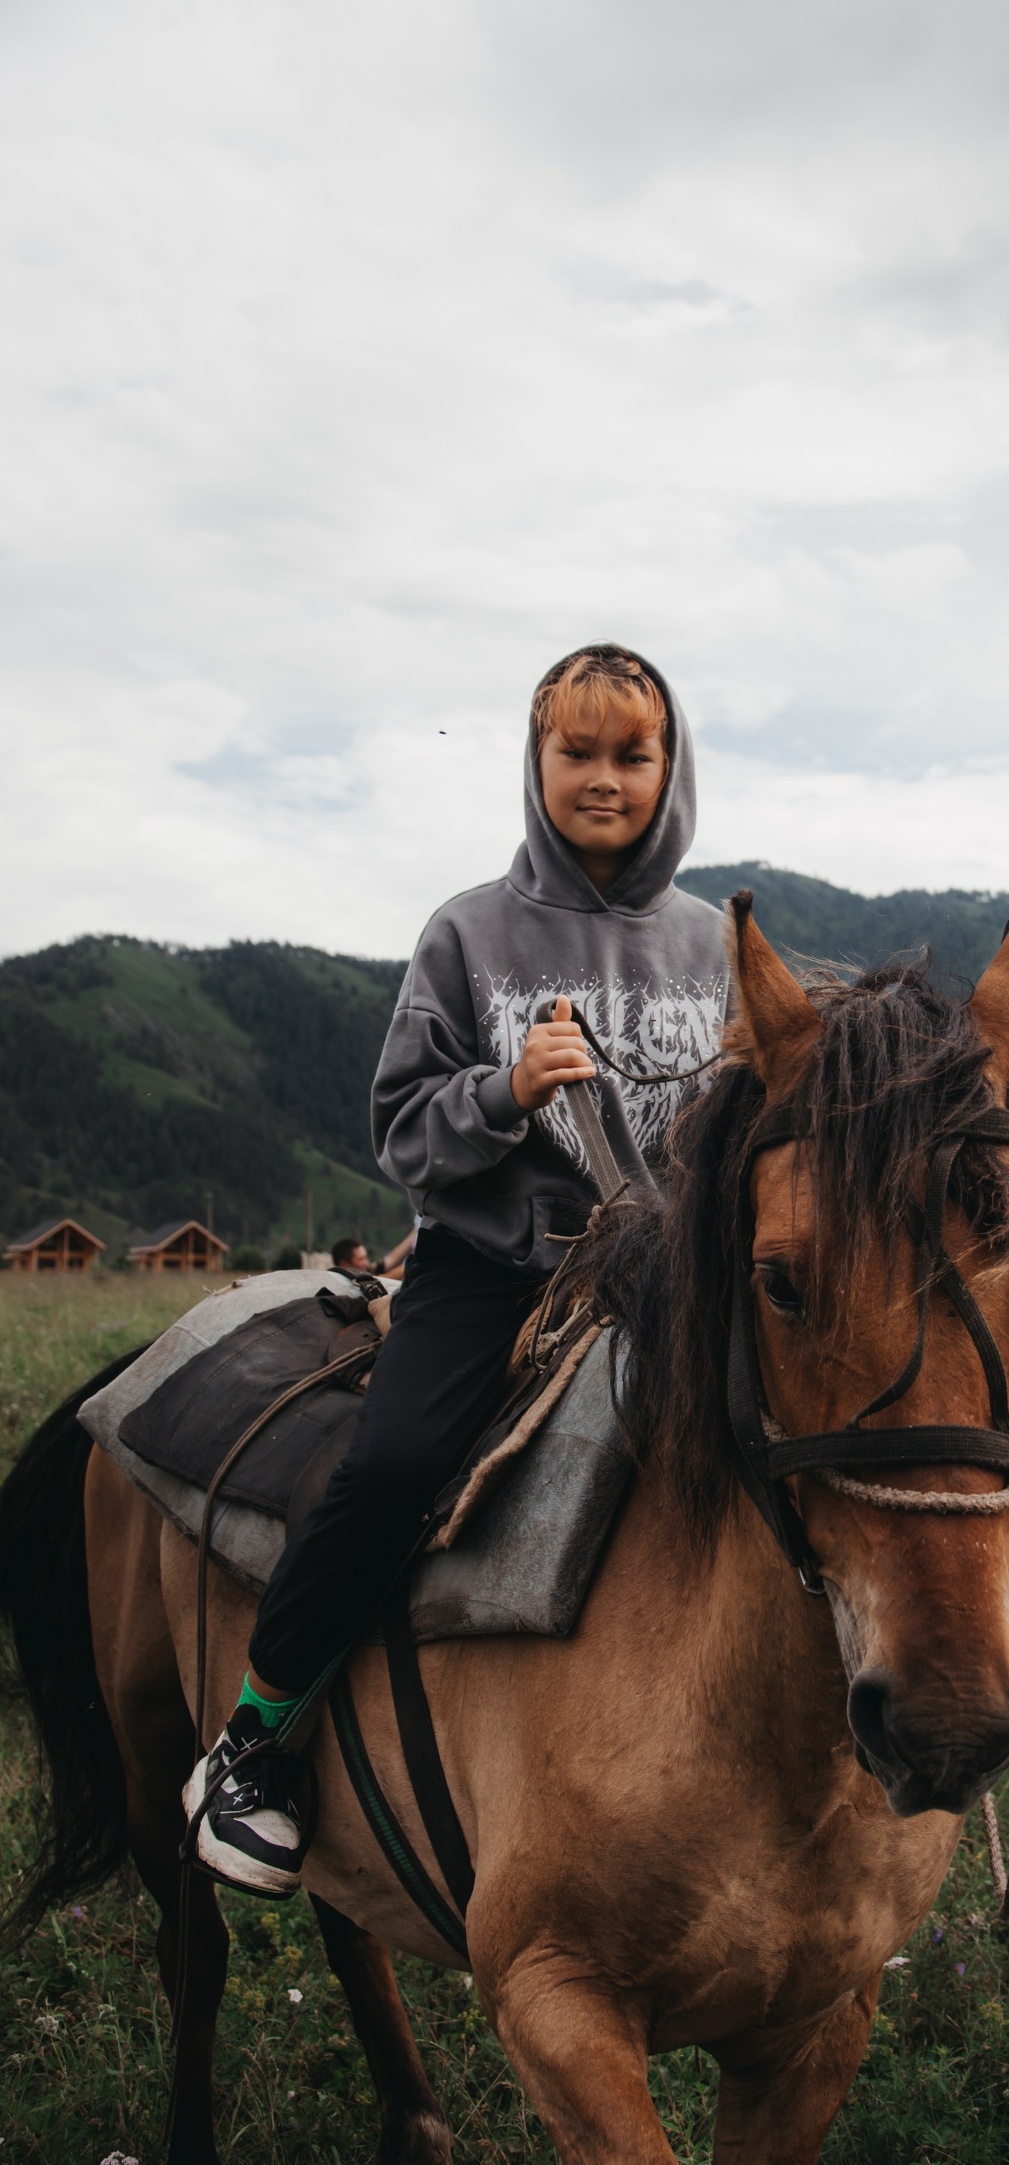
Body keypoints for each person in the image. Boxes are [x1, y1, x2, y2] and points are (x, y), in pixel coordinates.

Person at [184, 645, 729, 1895]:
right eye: (576, 751)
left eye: (630, 754)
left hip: (665, 1277)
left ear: (671, 766)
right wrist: (507, 1086)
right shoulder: (470, 931)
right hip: (496, 1270)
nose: (604, 778)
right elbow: (400, 1120)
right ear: (535, 763)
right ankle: (257, 1741)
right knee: (392, 1464)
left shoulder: (712, 944)